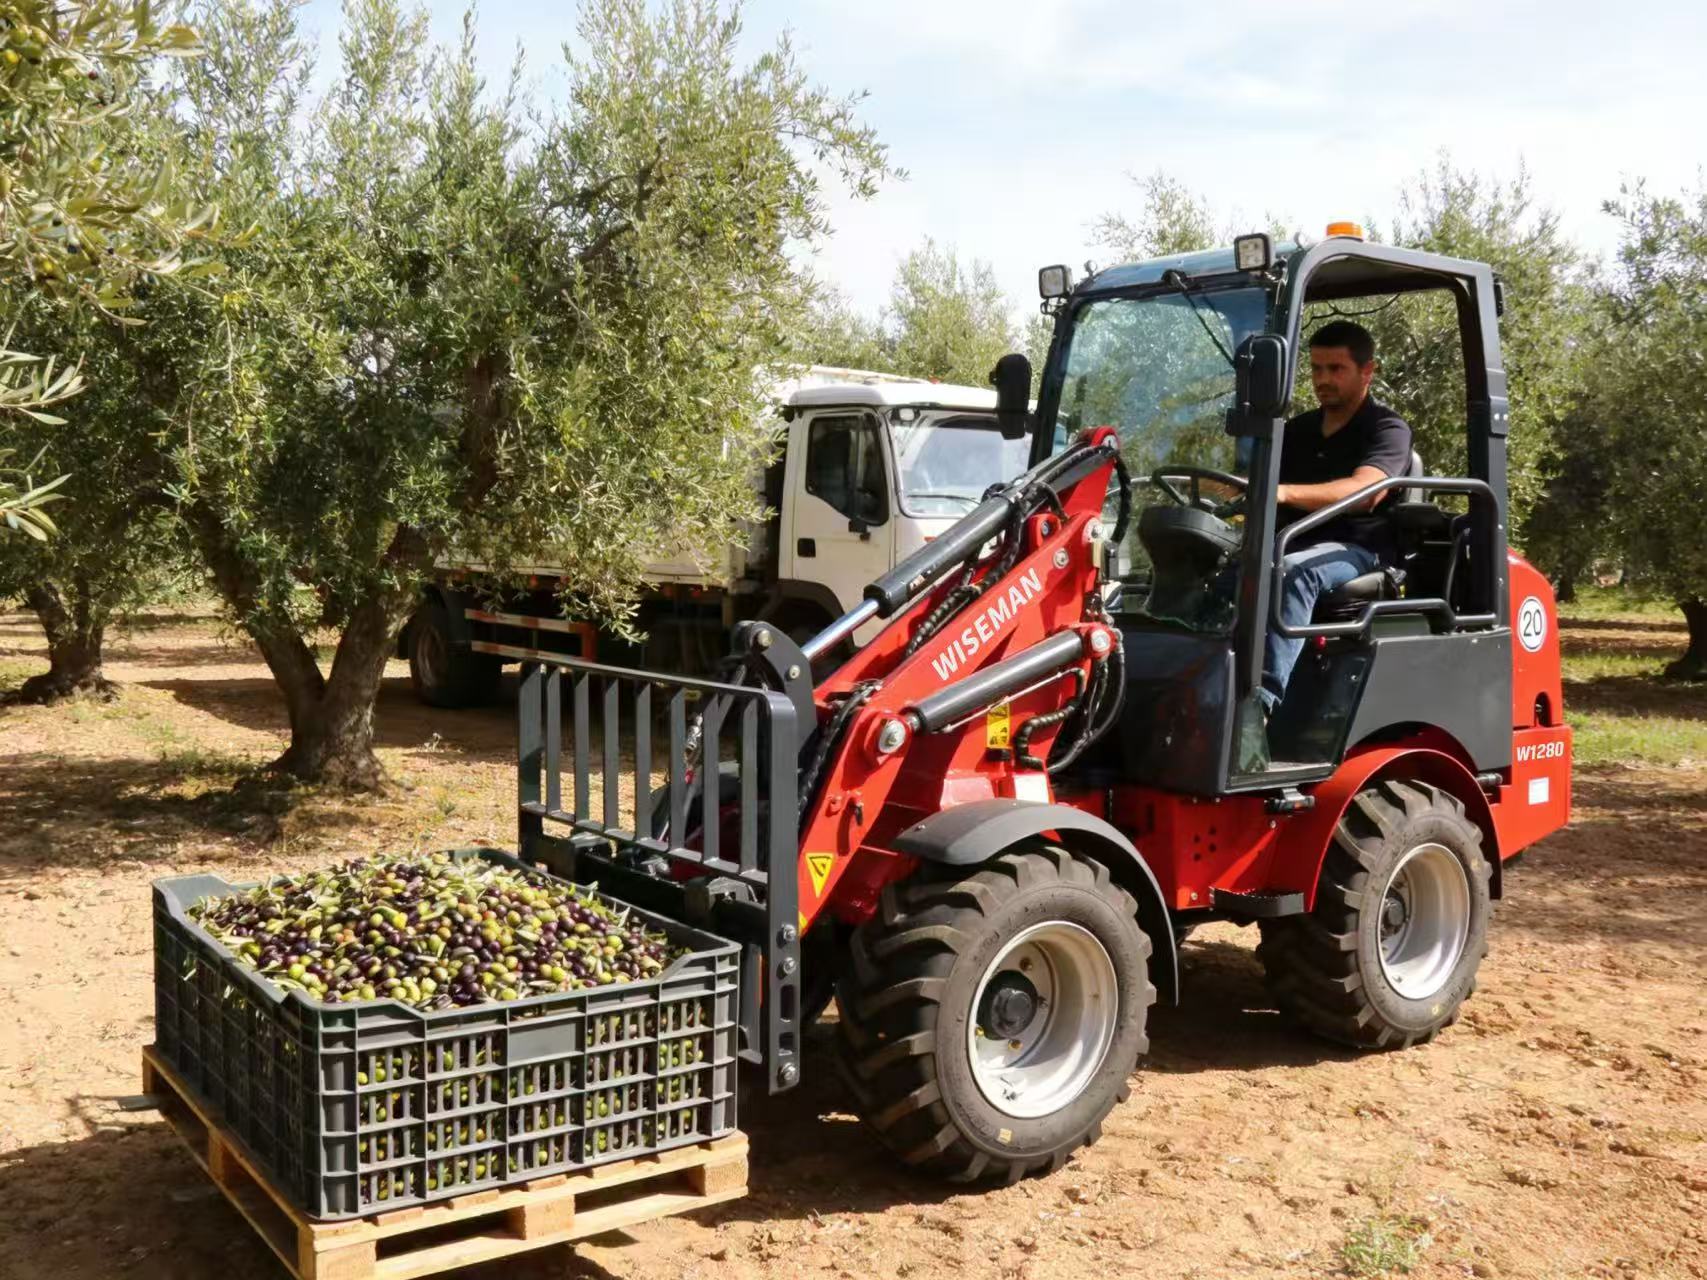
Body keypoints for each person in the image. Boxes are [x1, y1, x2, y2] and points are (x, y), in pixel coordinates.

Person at [1260, 319, 1412, 718]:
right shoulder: (1297, 430)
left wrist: (1285, 492)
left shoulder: (1387, 428)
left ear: (1367, 371)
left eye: (1335, 369)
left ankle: (1257, 710)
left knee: (1294, 573)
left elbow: (1367, 492)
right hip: (1292, 541)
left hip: (1359, 549)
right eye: (1315, 369)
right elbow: (1262, 483)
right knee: (1213, 570)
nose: (1322, 379)